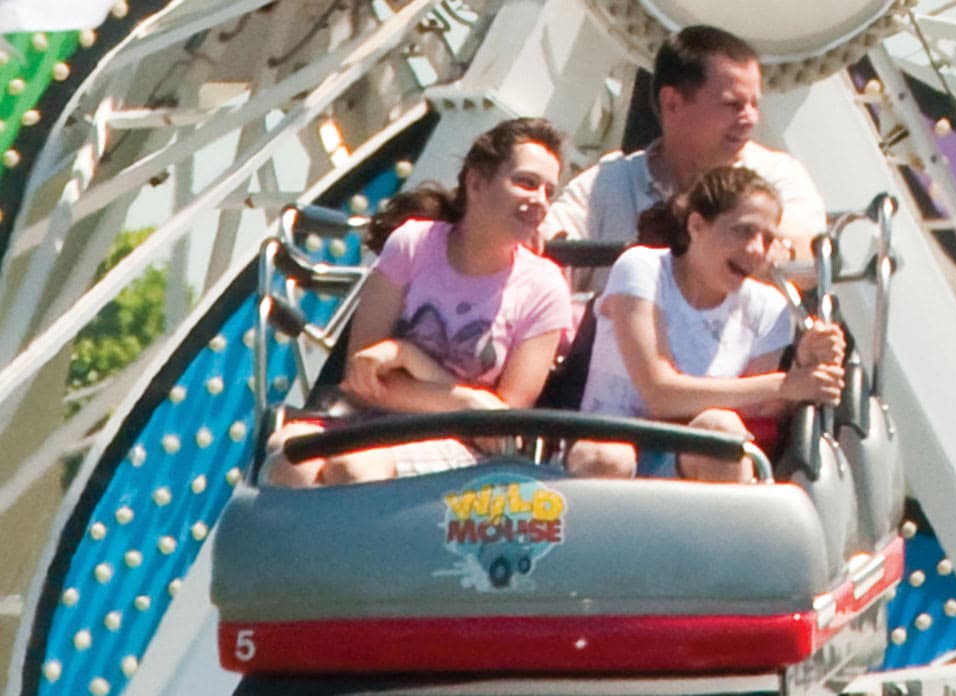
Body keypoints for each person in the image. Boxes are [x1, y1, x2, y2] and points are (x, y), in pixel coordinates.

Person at [264, 118, 574, 487]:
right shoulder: (413, 245)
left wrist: (407, 358)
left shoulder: (544, 287)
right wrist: (466, 402)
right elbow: (361, 375)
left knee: (355, 468)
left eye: (548, 191)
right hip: (370, 414)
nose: (539, 201)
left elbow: (500, 426)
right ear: (476, 183)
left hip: (459, 443)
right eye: (526, 183)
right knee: (289, 459)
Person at [564, 166, 843, 483]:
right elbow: (659, 392)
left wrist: (806, 367)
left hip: (692, 460)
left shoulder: (769, 307)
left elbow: (759, 407)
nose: (755, 249)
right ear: (696, 226)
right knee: (607, 456)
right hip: (611, 442)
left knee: (721, 432)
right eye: (742, 231)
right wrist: (784, 383)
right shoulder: (642, 268)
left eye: (766, 239)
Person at [539, 24, 827, 286]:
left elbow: (813, 257)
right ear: (673, 103)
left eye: (754, 104)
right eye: (733, 104)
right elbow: (543, 258)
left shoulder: (777, 175)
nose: (750, 118)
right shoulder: (607, 185)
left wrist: (777, 252)